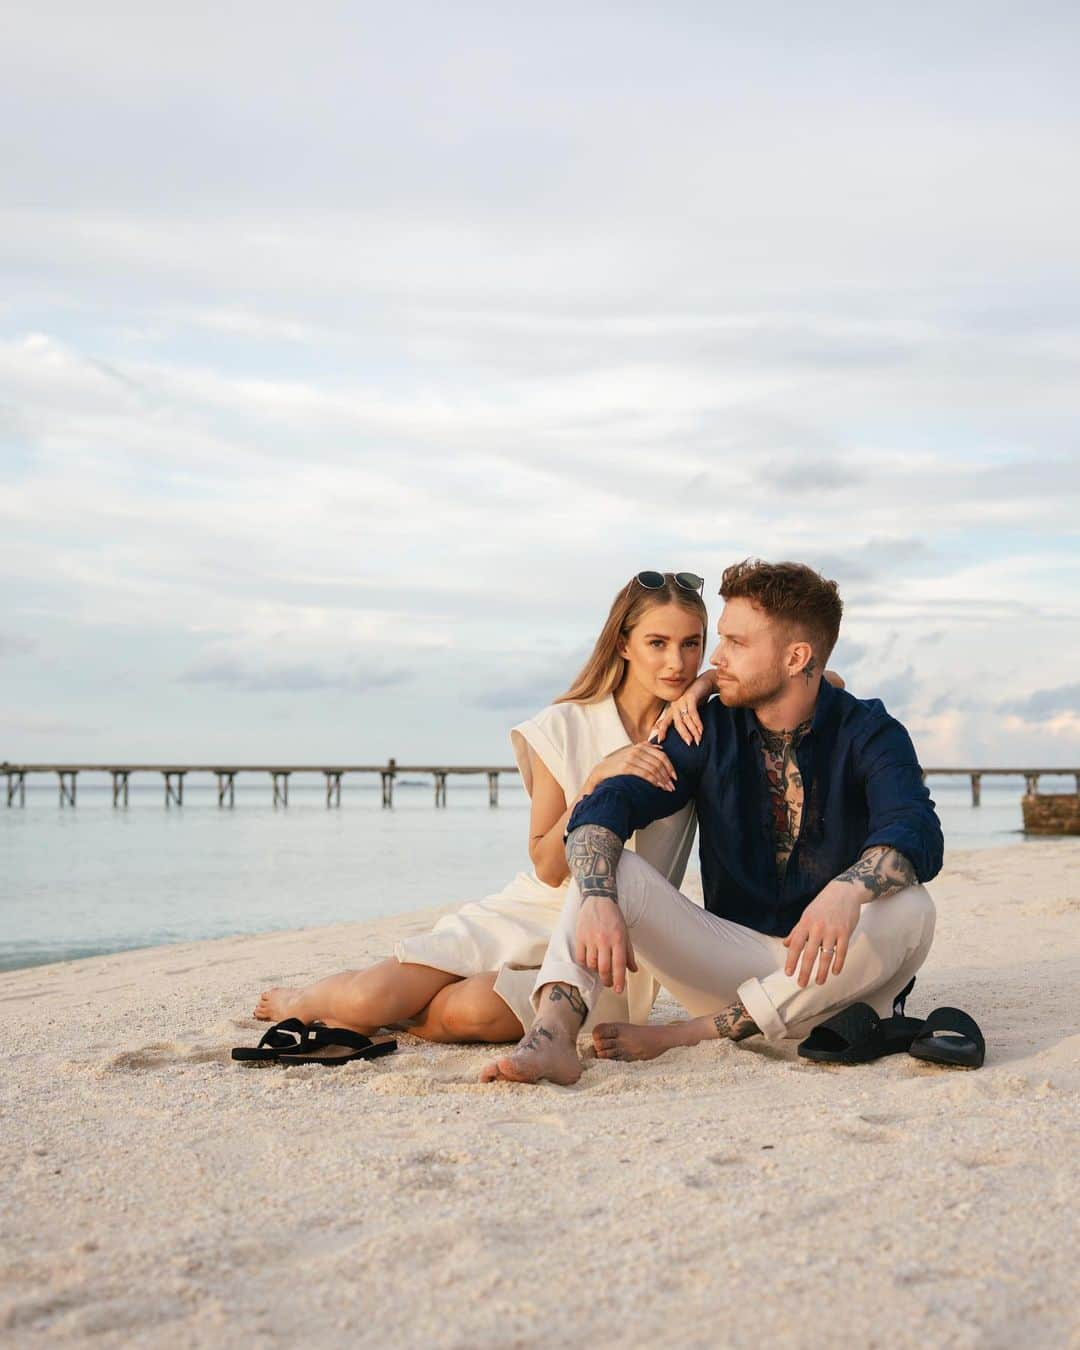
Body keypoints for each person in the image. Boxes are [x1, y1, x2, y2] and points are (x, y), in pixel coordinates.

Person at [480, 559, 942, 1086]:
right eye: (719, 640)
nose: (714, 660)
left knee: (911, 904)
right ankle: (553, 1037)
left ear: (796, 657)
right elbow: (610, 803)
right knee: (611, 862)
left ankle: (692, 1034)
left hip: (838, 984)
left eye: (735, 643)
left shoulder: (871, 733)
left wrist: (846, 892)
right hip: (731, 964)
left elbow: (917, 829)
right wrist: (598, 894)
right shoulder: (708, 727)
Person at [252, 572, 711, 1042]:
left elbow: (749, 676)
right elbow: (550, 867)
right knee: (370, 998)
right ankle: (305, 1001)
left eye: (691, 645)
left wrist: (705, 684)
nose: (677, 662)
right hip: (533, 910)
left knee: (470, 1012)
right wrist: (597, 779)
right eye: (658, 643)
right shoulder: (561, 725)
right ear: (623, 644)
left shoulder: (698, 731)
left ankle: (399, 1014)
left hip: (614, 938)